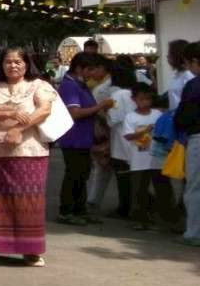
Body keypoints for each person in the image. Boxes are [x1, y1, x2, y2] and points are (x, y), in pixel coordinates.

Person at [0, 47, 58, 265]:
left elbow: (44, 111)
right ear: (1, 65)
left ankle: (31, 251)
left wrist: (18, 129)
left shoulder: (38, 86)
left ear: (26, 64)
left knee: (29, 200)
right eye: (8, 62)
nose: (13, 66)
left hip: (30, 152)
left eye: (17, 62)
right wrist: (9, 113)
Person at [56, 52, 115, 225]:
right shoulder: (69, 86)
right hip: (73, 138)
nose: (92, 74)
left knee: (83, 174)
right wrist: (100, 106)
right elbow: (74, 113)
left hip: (84, 138)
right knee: (74, 174)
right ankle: (66, 210)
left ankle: (79, 210)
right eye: (90, 69)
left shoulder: (81, 85)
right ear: (80, 68)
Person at [89, 62, 136, 219]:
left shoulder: (117, 96)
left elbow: (111, 120)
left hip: (121, 142)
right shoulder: (133, 94)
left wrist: (100, 111)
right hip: (136, 140)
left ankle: (125, 208)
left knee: (123, 177)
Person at [123, 83, 162, 231]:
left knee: (162, 188)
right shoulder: (131, 117)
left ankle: (167, 218)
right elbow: (128, 135)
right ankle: (140, 219)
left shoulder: (157, 114)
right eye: (141, 99)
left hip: (157, 159)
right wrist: (145, 130)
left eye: (147, 99)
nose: (145, 102)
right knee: (139, 190)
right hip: (138, 160)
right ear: (134, 99)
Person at [175, 42, 200, 246]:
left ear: (194, 62)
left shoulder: (194, 85)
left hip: (197, 138)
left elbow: (183, 117)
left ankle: (194, 232)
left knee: (195, 187)